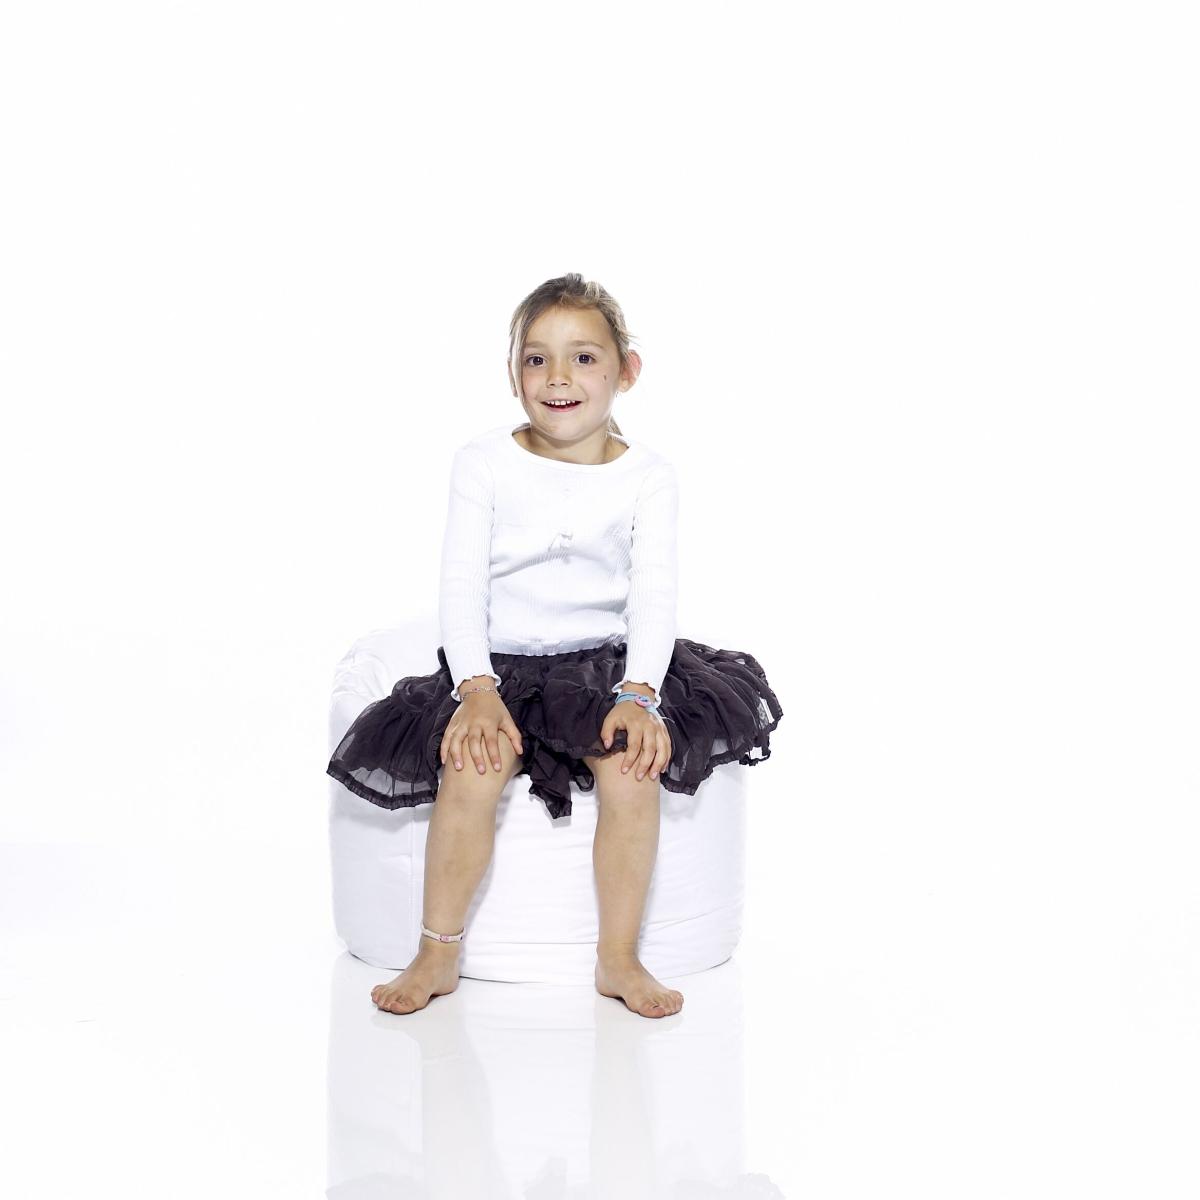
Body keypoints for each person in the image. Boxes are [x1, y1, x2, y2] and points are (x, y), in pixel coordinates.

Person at [326, 272, 783, 1018]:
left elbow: (653, 596)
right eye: (536, 359)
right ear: (514, 374)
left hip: (602, 669)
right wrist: (476, 690)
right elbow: (461, 586)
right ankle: (438, 950)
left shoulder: (648, 476)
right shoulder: (483, 461)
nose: (558, 377)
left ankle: (618, 957)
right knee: (471, 769)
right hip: (497, 669)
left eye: (584, 358)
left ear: (626, 371)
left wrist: (639, 694)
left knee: (632, 771)